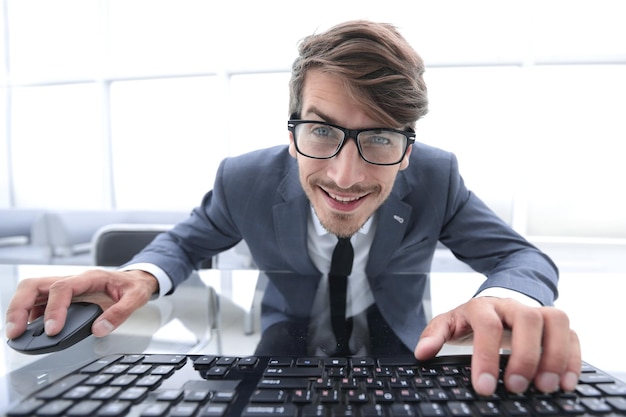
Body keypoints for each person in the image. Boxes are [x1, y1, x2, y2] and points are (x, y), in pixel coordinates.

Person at [5, 20, 580, 396]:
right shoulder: (244, 179)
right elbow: (185, 242)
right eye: (321, 131)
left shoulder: (436, 174)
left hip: (402, 354)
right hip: (280, 352)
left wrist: (503, 299)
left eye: (380, 138)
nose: (345, 176)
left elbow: (520, 258)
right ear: (290, 130)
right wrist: (139, 275)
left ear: (408, 148)